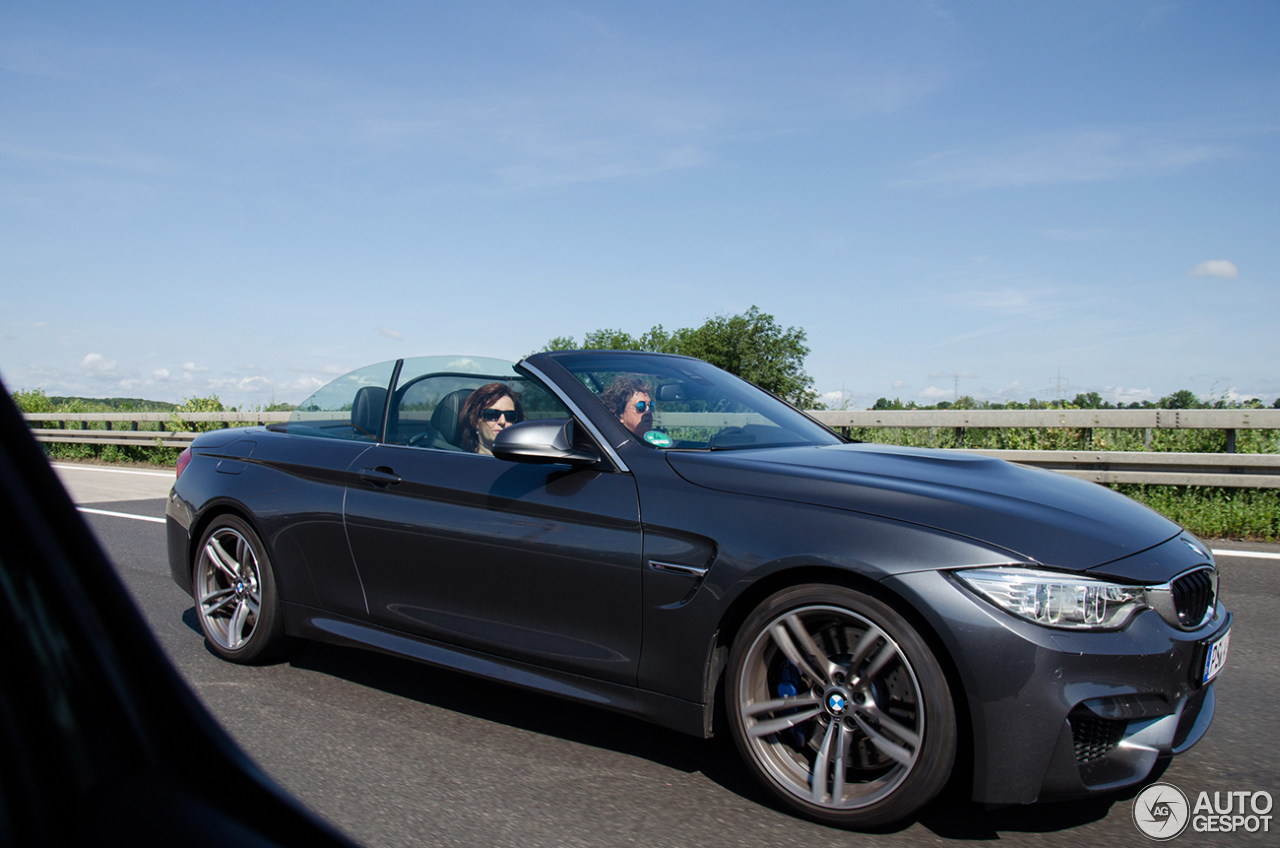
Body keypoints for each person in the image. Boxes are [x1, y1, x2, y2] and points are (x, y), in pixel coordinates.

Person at [458, 383, 524, 455]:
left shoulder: (522, 463)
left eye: (509, 415)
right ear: (475, 421)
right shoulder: (461, 463)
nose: (502, 421)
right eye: (492, 414)